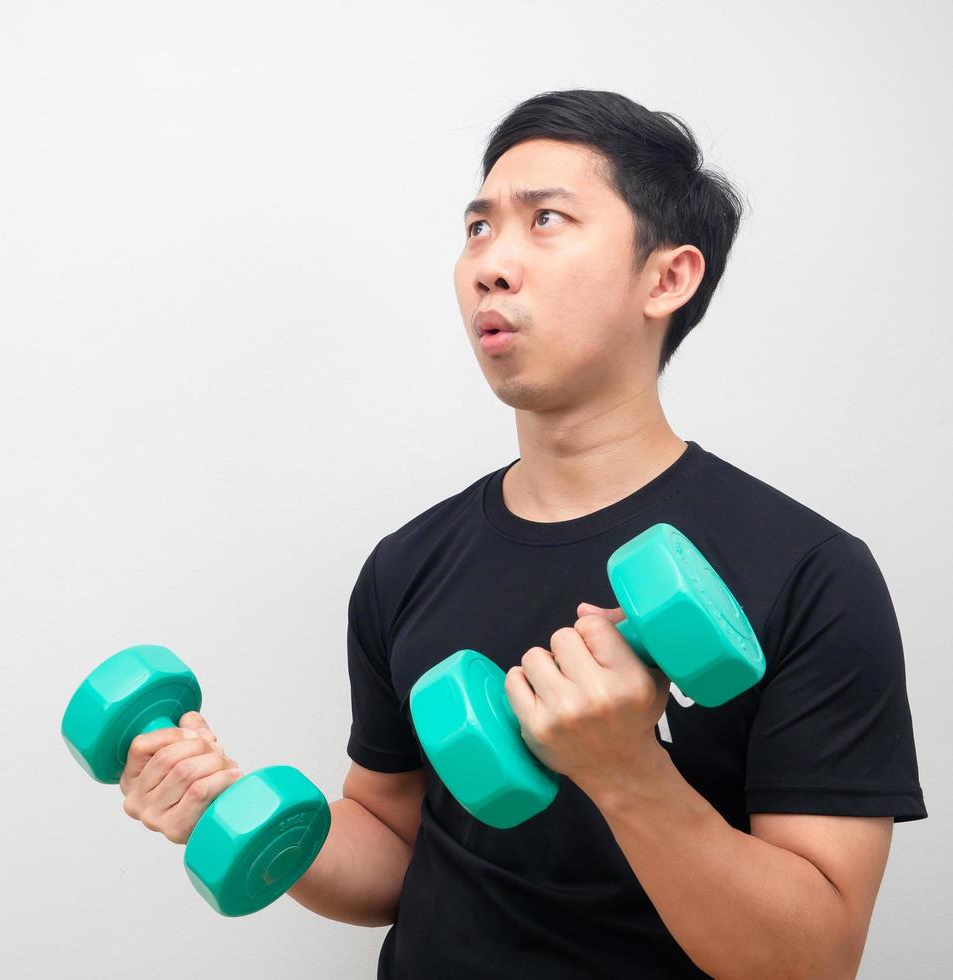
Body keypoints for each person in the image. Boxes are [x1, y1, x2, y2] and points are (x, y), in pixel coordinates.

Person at [114, 89, 927, 977]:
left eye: (545, 220)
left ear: (666, 278)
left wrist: (624, 770)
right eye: (476, 229)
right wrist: (234, 809)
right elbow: (391, 846)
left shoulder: (808, 572)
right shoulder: (407, 564)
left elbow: (812, 960)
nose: (490, 264)